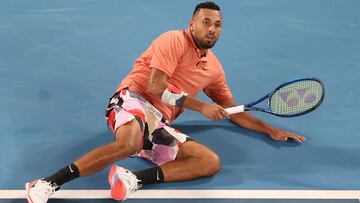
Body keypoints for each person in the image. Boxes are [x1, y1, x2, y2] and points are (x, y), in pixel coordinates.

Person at [25, 2, 305, 203]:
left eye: (217, 25)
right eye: (206, 22)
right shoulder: (173, 40)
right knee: (130, 143)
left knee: (209, 161)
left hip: (158, 121)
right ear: (191, 24)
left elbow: (233, 111)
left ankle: (132, 179)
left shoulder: (214, 69)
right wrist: (202, 106)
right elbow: (156, 87)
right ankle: (47, 183)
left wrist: (270, 130)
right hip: (132, 100)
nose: (212, 29)